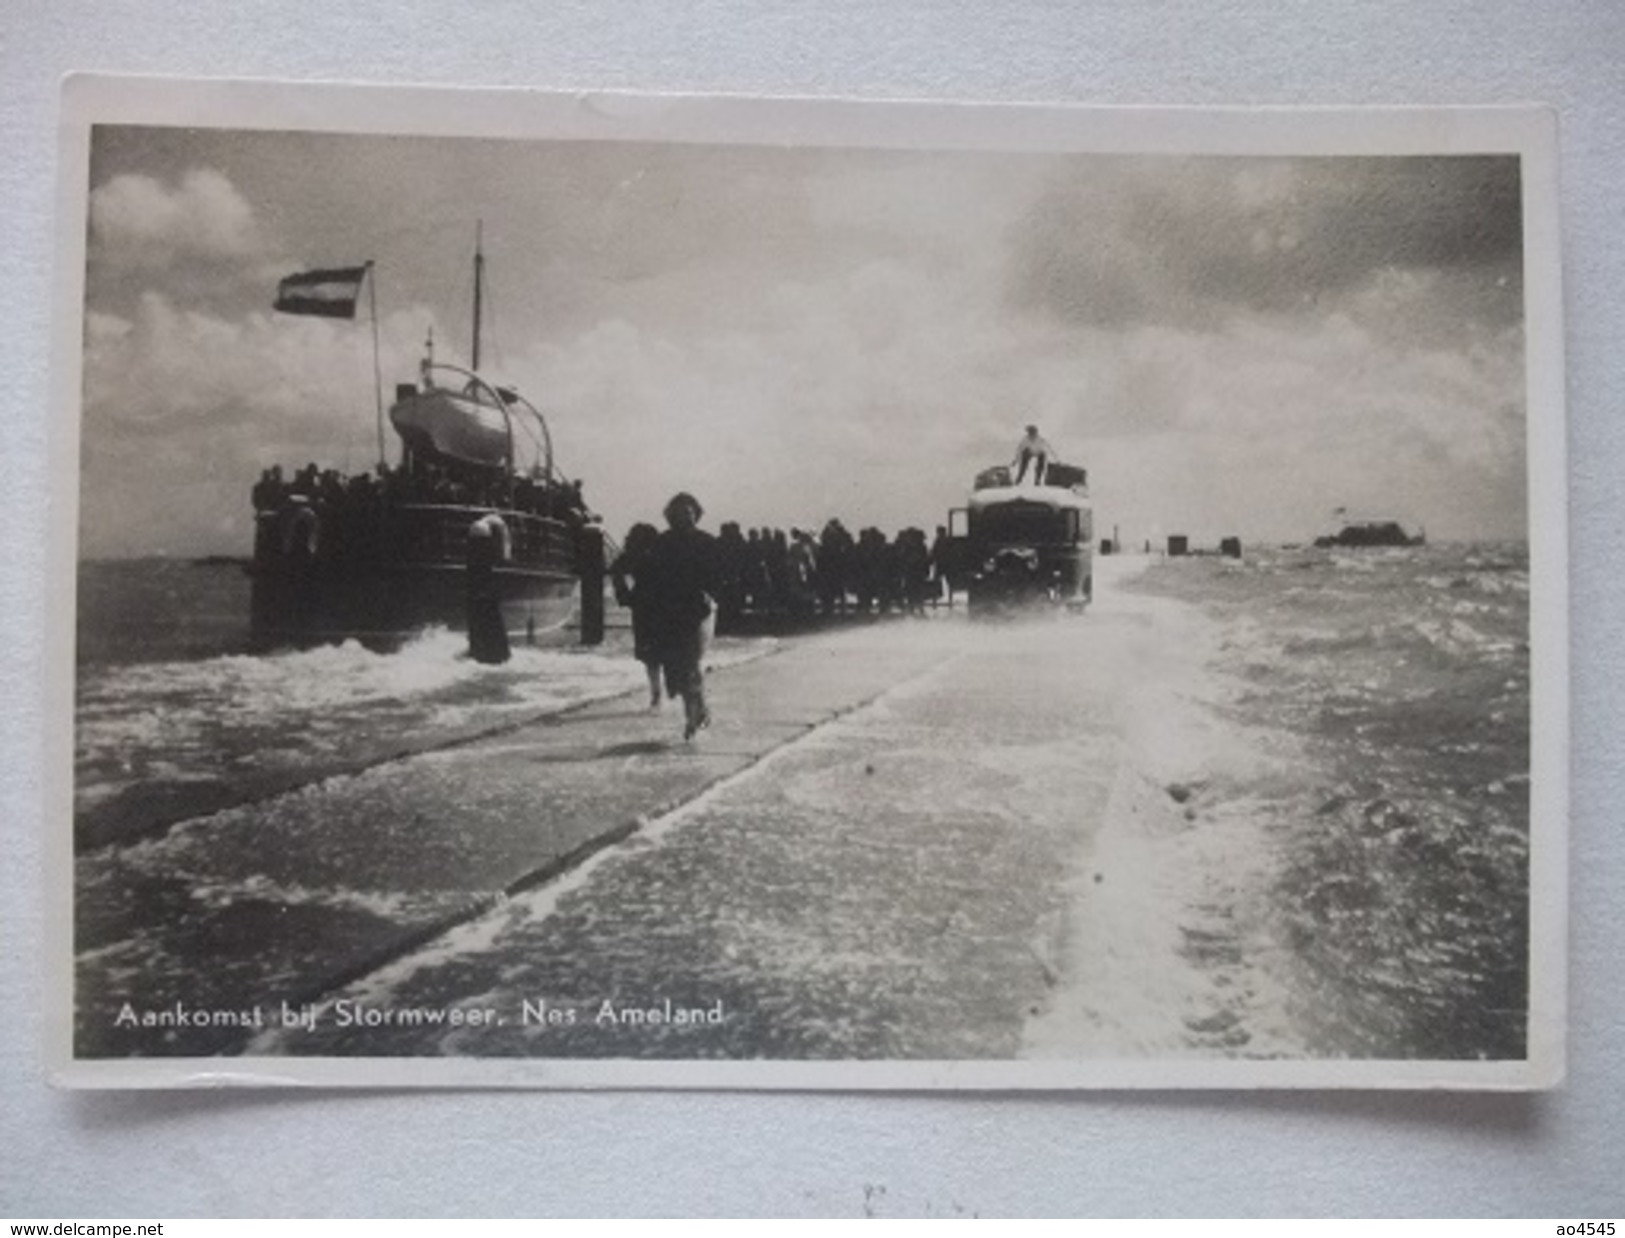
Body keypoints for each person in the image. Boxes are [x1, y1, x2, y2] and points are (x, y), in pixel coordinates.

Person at [640, 492, 720, 740]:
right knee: (676, 668)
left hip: (697, 610)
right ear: (672, 516)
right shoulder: (662, 543)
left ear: (697, 513)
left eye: (691, 512)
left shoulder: (707, 542)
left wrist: (712, 596)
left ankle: (693, 716)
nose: (688, 517)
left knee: (691, 663)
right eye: (683, 513)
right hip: (669, 612)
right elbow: (651, 577)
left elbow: (718, 576)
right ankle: (699, 709)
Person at [610, 522, 664, 709]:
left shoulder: (632, 555)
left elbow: (616, 571)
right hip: (664, 604)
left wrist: (624, 595)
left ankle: (656, 694)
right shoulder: (661, 553)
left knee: (650, 656)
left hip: (642, 604)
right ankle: (664, 692)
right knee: (667, 650)